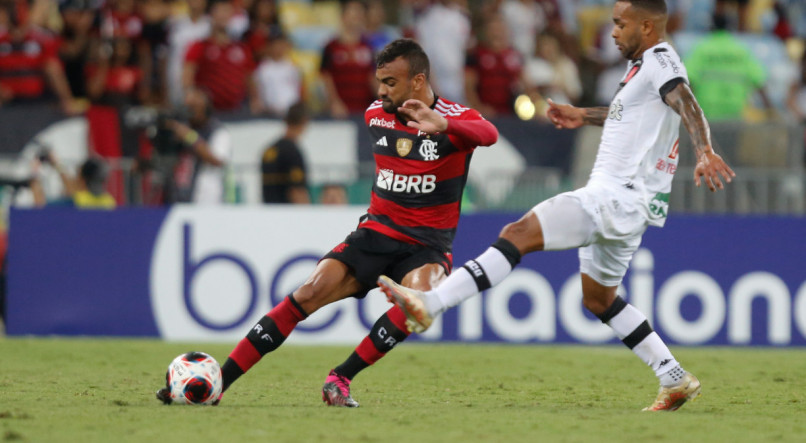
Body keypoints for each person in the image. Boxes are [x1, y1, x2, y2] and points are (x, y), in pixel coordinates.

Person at [379, 0, 735, 412]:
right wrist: (581, 114)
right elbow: (631, 115)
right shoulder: (643, 67)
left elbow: (686, 100)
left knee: (517, 234)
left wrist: (705, 149)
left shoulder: (660, 59)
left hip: (616, 195)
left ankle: (431, 304)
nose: (613, 32)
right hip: (628, 204)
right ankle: (673, 377)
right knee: (599, 299)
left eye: (620, 24)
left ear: (649, 27)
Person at [156, 38, 499, 407]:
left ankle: (340, 378)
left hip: (428, 244)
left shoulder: (455, 117)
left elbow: (489, 135)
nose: (380, 91)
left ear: (418, 81)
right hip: (375, 233)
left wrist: (445, 125)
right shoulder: (376, 115)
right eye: (379, 81)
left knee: (419, 302)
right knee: (306, 294)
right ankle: (217, 384)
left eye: (390, 83)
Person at [684, 13, 772, 121]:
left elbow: (689, 81)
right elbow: (759, 80)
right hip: (735, 113)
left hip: (707, 113)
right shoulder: (741, 49)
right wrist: (770, 109)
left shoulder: (701, 48)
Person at [163, 87, 231, 204]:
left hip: (205, 199)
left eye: (194, 108)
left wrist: (190, 137)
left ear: (205, 108)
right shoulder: (182, 128)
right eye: (188, 108)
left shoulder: (217, 131)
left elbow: (217, 160)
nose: (190, 112)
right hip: (177, 197)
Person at [319, 0, 375, 118]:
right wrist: (334, 102)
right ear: (343, 16)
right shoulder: (331, 47)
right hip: (340, 112)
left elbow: (372, 76)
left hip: (365, 110)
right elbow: (325, 77)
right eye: (354, 11)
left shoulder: (368, 47)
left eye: (360, 12)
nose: (358, 15)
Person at [261, 102, 311, 204]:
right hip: (288, 215)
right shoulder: (292, 152)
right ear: (304, 122)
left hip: (268, 213)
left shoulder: (269, 150)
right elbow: (297, 191)